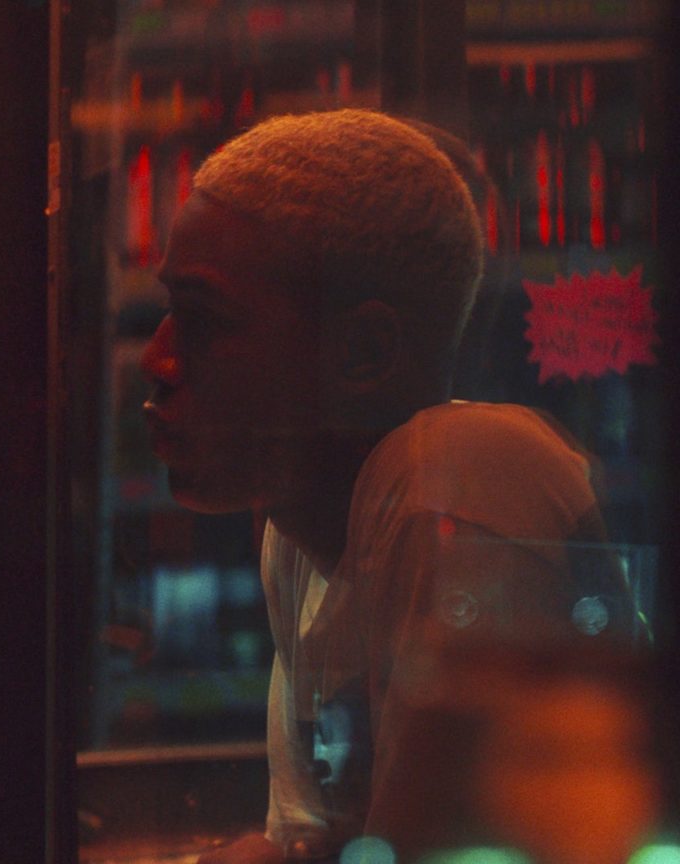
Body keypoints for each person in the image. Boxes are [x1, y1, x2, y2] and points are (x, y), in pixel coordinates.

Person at [138, 109, 638, 862]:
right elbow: (317, 840)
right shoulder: (296, 528)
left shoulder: (457, 480)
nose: (156, 360)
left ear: (364, 353)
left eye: (202, 319)